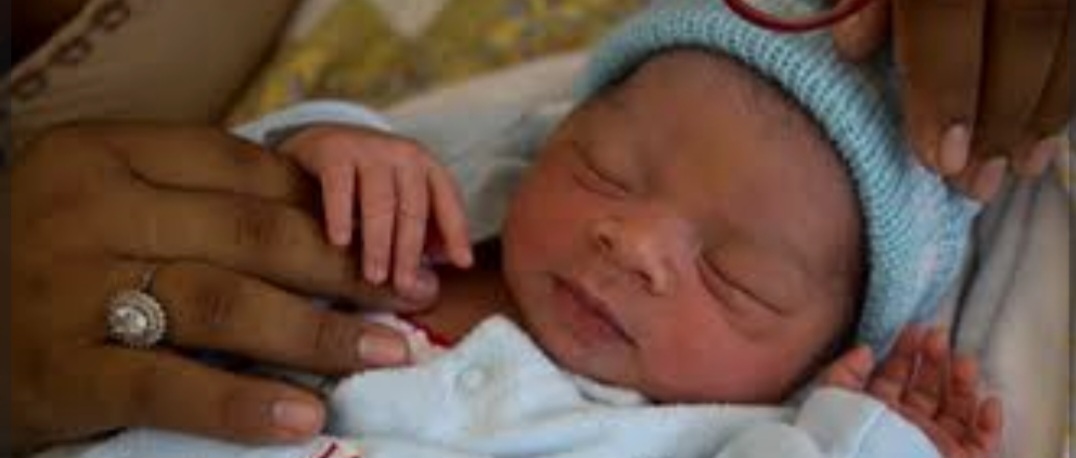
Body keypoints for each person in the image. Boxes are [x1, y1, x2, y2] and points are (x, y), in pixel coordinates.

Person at [7, 0, 1067, 455]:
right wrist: (332, 148)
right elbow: (200, 226)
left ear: (824, 352)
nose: (634, 243)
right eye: (606, 169)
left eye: (736, 276)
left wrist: (878, 434)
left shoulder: (720, 435)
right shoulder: (429, 226)